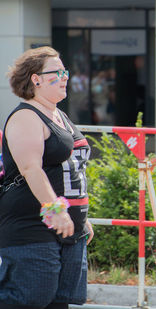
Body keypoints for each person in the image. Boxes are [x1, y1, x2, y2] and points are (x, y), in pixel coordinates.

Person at [0, 46, 93, 309]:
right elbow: (31, 169)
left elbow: (73, 170)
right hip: (32, 226)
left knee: (59, 301)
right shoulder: (26, 116)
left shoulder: (59, 115)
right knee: (30, 298)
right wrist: (56, 210)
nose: (65, 77)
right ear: (36, 79)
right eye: (58, 72)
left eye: (66, 71)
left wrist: (82, 218)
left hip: (69, 229)